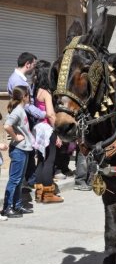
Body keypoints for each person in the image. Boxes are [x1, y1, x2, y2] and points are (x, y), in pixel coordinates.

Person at [7, 52, 46, 191]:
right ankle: (28, 181)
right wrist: (43, 114)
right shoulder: (18, 81)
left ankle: (29, 180)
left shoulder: (17, 78)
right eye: (33, 65)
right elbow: (28, 105)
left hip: (23, 117)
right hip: (24, 118)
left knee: (28, 150)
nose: (34, 69)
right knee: (26, 150)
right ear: (27, 64)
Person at [31, 60, 64, 203]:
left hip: (38, 129)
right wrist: (57, 133)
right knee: (49, 161)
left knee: (41, 161)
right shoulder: (47, 92)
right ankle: (48, 195)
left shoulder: (35, 89)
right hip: (47, 128)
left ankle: (39, 193)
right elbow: (50, 114)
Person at [1, 86, 35, 218]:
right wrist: (15, 137)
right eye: (29, 96)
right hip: (18, 150)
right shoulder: (18, 111)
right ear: (24, 97)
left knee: (20, 180)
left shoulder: (21, 110)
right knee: (14, 180)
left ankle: (17, 206)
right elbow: (6, 126)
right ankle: (7, 208)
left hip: (24, 149)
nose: (30, 98)